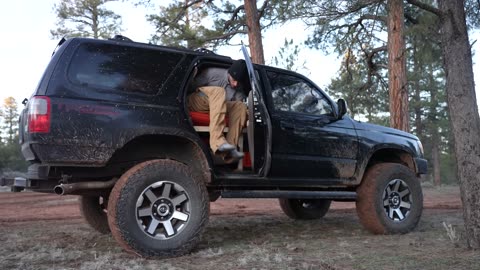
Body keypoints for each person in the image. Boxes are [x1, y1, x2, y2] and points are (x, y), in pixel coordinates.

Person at [187, 60, 249, 162]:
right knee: (219, 92)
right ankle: (217, 142)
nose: (235, 84)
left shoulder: (238, 88)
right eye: (234, 80)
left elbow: (240, 108)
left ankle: (229, 150)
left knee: (240, 106)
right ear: (229, 73)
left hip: (216, 107)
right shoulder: (213, 73)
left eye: (239, 82)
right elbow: (190, 87)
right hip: (196, 101)